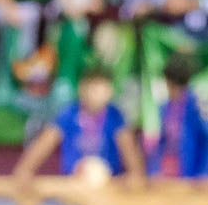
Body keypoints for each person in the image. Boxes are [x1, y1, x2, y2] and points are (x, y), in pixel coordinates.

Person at [11, 61, 146, 187]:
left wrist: (132, 177)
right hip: (73, 188)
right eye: (94, 89)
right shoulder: (68, 115)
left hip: (108, 188)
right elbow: (40, 148)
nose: (99, 95)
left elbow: (133, 161)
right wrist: (25, 171)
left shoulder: (115, 117)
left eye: (104, 90)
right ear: (82, 89)